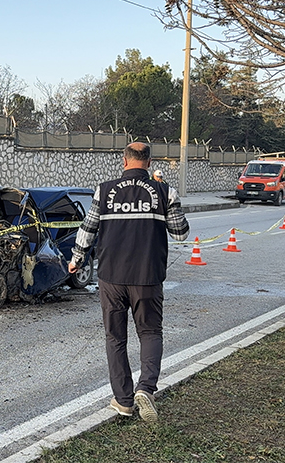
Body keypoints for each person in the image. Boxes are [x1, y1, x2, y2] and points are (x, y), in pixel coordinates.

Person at [68, 142, 190, 422]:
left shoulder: (104, 190)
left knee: (115, 337)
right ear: (149, 162)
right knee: (150, 332)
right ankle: (146, 388)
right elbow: (181, 233)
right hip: (148, 276)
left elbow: (88, 229)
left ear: (124, 161)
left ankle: (123, 401)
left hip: (111, 276)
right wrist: (168, 199)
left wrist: (76, 259)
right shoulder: (164, 191)